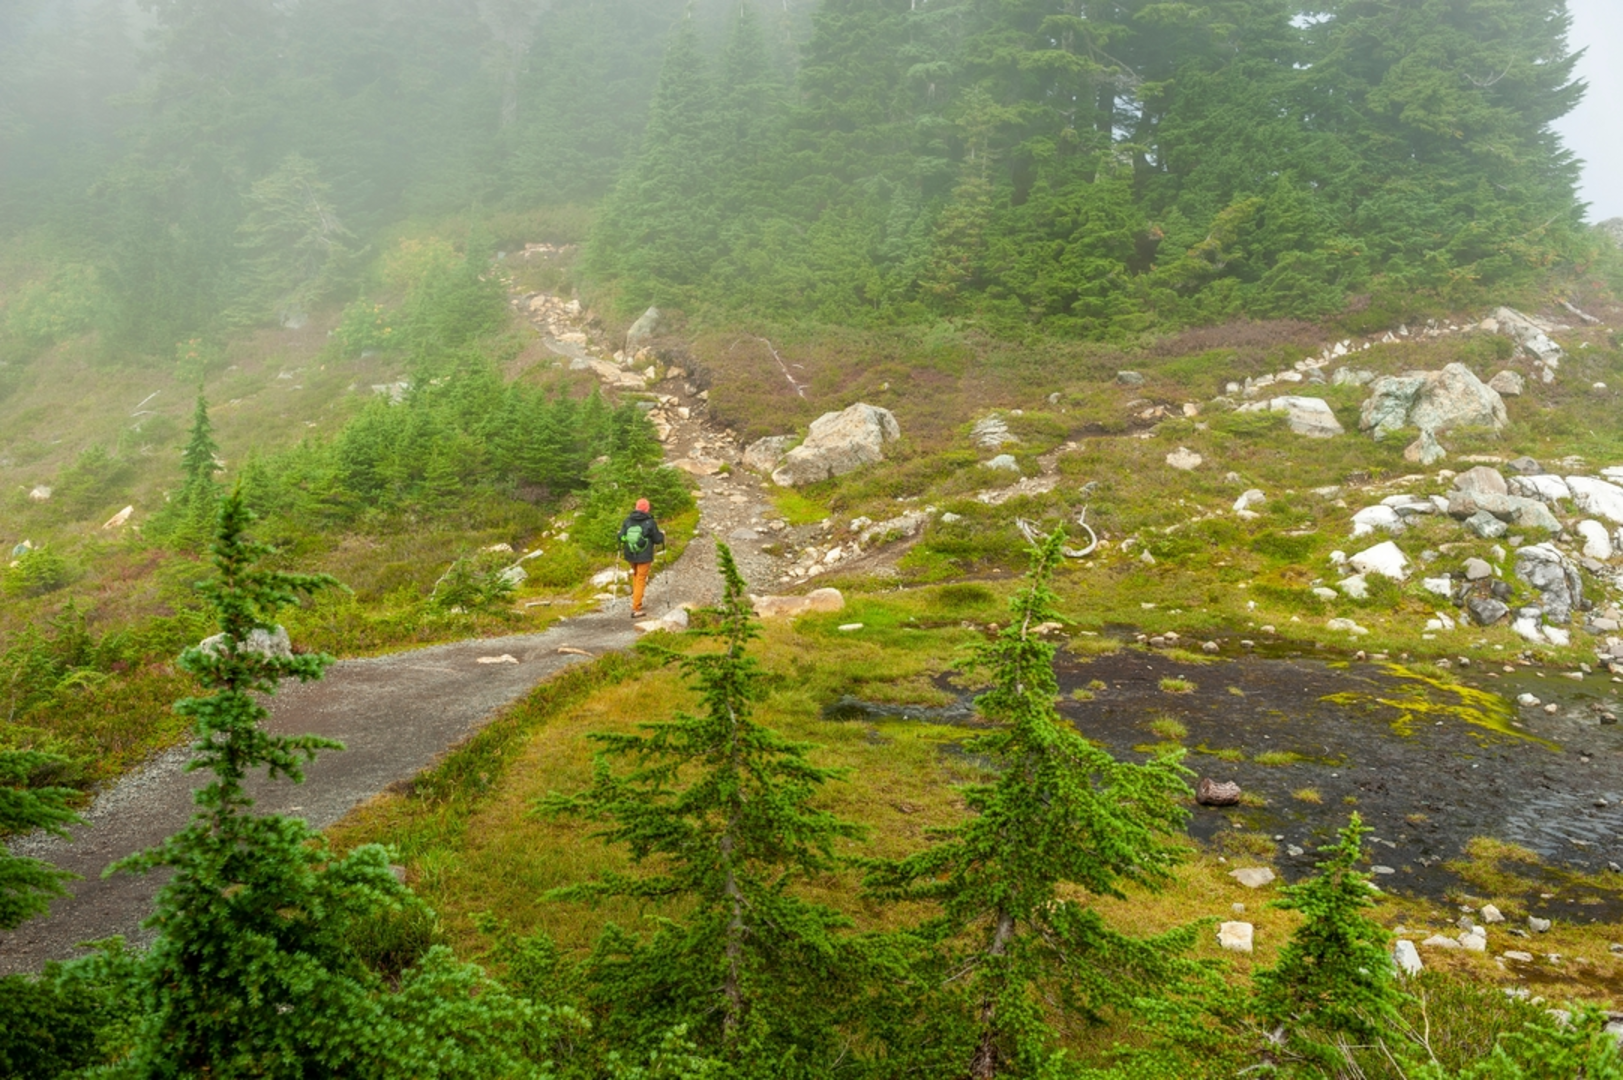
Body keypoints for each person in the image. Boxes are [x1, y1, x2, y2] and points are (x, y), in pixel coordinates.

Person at [618, 497, 665, 618]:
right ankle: (636, 608)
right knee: (641, 579)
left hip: (630, 554)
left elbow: (621, 537)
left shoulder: (628, 520)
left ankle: (635, 601)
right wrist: (662, 535)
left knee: (636, 575)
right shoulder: (649, 522)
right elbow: (657, 539)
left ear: (636, 507)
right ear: (647, 508)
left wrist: (623, 538)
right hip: (644, 555)